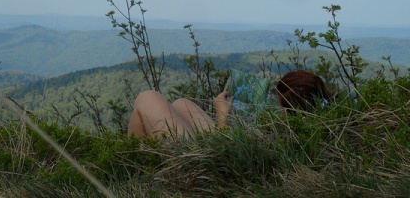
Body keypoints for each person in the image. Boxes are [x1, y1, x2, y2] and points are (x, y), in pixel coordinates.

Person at [127, 70, 332, 139]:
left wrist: (222, 119)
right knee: (181, 104)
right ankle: (143, 166)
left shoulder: (283, 137)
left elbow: (226, 161)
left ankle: (136, 171)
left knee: (147, 98)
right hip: (215, 149)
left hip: (206, 170)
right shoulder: (301, 133)